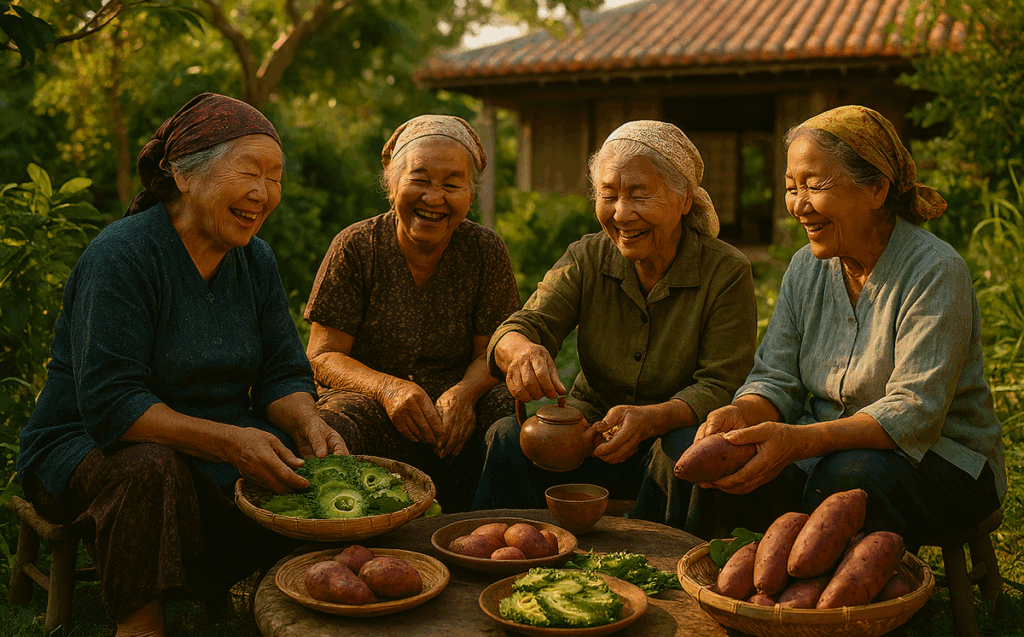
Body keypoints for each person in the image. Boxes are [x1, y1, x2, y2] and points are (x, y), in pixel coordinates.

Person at [16, 93, 347, 637]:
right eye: (248, 172)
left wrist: (308, 421)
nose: (263, 194)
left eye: (275, 177)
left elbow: (282, 375)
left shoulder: (254, 259)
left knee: (333, 433)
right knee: (149, 467)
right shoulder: (122, 256)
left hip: (210, 439)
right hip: (88, 446)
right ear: (184, 176)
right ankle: (141, 625)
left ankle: (296, 599)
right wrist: (231, 442)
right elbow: (113, 408)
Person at [642, 105, 1006, 550]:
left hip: (942, 464)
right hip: (822, 454)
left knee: (848, 477)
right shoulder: (804, 268)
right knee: (686, 448)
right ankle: (702, 586)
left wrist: (798, 442)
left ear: (876, 189)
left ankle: (838, 609)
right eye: (792, 188)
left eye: (814, 186)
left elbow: (914, 412)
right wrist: (743, 413)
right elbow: (775, 377)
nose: (799, 204)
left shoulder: (935, 271)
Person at [472, 120, 757, 510]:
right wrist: (521, 351)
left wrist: (652, 419)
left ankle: (664, 565)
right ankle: (509, 554)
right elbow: (521, 326)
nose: (621, 214)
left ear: (686, 199)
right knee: (507, 435)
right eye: (608, 195)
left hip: (668, 439)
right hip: (590, 431)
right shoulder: (587, 257)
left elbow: (721, 385)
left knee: (687, 451)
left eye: (639, 195)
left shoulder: (726, 271)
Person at [305, 114, 520, 513]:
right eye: (419, 180)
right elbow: (322, 356)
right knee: (334, 422)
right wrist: (390, 390)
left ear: (470, 196)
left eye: (451, 185)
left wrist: (464, 393)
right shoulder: (356, 247)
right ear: (392, 186)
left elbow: (491, 352)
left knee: (504, 408)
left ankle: (491, 529)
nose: (434, 198)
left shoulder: (485, 250)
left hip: (452, 412)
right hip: (370, 400)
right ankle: (338, 535)